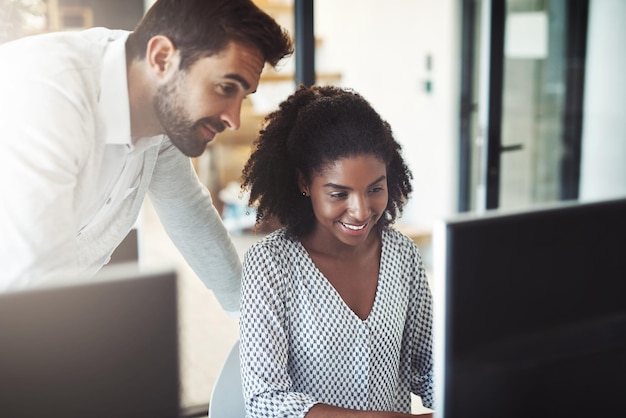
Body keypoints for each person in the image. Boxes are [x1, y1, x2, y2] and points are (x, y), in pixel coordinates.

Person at [0, 0, 293, 313]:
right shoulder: (46, 95)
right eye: (225, 87)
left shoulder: (159, 119)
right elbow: (36, 281)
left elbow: (188, 211)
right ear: (162, 58)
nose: (234, 119)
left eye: (242, 97)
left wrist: (253, 316)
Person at [239, 85, 434, 417]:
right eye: (339, 194)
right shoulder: (270, 264)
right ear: (304, 184)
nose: (360, 211)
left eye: (375, 188)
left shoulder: (402, 255)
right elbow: (265, 401)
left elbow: (429, 368)